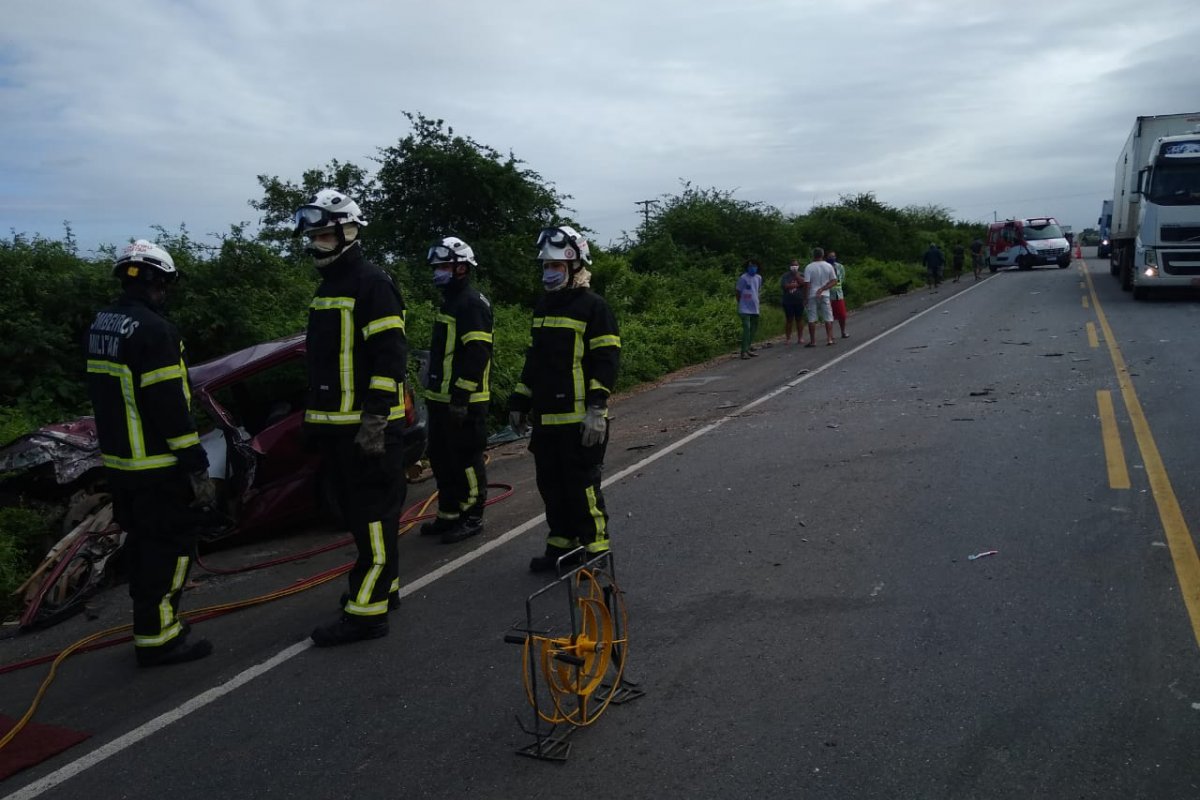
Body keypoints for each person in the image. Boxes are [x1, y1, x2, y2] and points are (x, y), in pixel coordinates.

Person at [85, 240, 214, 667]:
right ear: (158, 282)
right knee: (173, 549)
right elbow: (167, 405)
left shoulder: (103, 324)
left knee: (143, 548)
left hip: (121, 464)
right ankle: (160, 636)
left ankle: (151, 624)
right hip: (157, 465)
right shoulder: (155, 331)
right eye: (165, 286)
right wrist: (194, 459)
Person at [295, 189, 408, 646]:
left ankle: (366, 613)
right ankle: (385, 590)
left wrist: (376, 419)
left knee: (373, 519)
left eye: (324, 235)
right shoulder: (329, 288)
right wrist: (314, 423)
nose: (316, 244)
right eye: (314, 236)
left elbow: (390, 357)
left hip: (368, 430)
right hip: (338, 430)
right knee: (363, 518)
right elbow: (324, 364)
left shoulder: (372, 283)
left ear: (349, 231)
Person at [507, 226, 621, 573]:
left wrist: (597, 408)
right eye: (546, 265)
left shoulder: (593, 307)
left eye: (556, 265)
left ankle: (596, 549)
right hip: (547, 419)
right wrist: (519, 399)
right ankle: (562, 544)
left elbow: (607, 360)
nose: (549, 271)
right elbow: (535, 360)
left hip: (579, 420)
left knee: (582, 488)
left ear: (574, 266)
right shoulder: (544, 306)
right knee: (552, 488)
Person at [420, 236, 493, 544]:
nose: (438, 272)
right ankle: (449, 514)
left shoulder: (471, 303)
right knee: (442, 460)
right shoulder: (451, 302)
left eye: (444, 266)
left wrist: (461, 396)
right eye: (436, 266)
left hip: (465, 401)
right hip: (440, 399)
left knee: (466, 460)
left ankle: (472, 516)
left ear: (462, 268)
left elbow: (477, 352)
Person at [802, 247, 839, 347]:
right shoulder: (828, 266)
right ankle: (829, 339)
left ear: (813, 255)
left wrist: (805, 297)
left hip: (812, 294)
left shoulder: (809, 267)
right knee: (828, 317)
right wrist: (823, 288)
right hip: (825, 294)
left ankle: (813, 341)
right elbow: (834, 281)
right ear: (822, 255)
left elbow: (807, 284)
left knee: (812, 318)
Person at [735, 260, 762, 359]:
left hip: (754, 307)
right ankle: (743, 351)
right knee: (747, 328)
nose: (753, 268)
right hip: (744, 308)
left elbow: (757, 290)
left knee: (753, 328)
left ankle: (748, 348)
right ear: (747, 267)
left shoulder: (758, 278)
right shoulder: (743, 278)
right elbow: (738, 292)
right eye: (751, 266)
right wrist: (740, 303)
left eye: (755, 266)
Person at [780, 259, 807, 345]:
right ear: (790, 266)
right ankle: (788, 338)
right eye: (792, 265)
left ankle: (800, 338)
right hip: (788, 301)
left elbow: (804, 283)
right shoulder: (785, 276)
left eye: (795, 265)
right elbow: (785, 286)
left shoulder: (802, 274)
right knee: (789, 320)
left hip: (799, 300)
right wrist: (797, 285)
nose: (794, 267)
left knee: (799, 319)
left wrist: (797, 276)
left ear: (798, 266)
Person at [826, 250, 849, 338]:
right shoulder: (825, 267)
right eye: (830, 256)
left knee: (842, 315)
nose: (832, 258)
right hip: (828, 294)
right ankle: (830, 335)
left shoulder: (840, 267)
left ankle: (843, 332)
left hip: (838, 294)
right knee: (829, 316)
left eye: (833, 256)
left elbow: (842, 279)